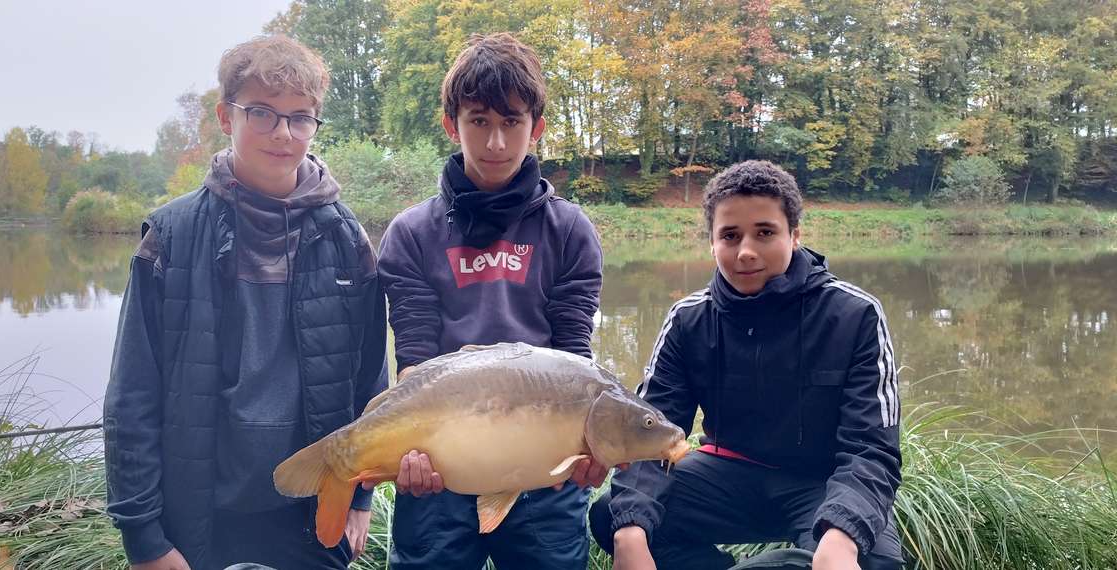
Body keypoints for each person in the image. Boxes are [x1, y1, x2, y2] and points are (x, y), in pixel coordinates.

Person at [104, 35, 387, 570]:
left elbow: (370, 381)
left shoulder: (347, 239)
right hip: (198, 520)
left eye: (299, 118)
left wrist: (360, 497)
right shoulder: (170, 238)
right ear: (225, 116)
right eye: (262, 113)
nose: (282, 133)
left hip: (314, 516)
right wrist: (143, 537)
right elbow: (131, 396)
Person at [590, 160, 904, 570]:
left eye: (765, 233)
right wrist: (629, 532)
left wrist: (842, 536)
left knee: (873, 559)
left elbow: (872, 449)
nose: (746, 252)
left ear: (795, 235)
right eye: (730, 236)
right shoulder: (688, 319)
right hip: (728, 477)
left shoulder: (855, 314)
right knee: (615, 516)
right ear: (712, 243)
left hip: (823, 483)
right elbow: (651, 433)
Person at [376, 32, 606, 570]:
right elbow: (415, 360)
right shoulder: (411, 233)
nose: (496, 142)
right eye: (479, 121)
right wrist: (410, 449)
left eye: (512, 122)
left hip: (545, 472)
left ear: (536, 128)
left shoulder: (571, 231)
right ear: (451, 125)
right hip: (440, 466)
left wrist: (590, 442)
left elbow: (574, 358)